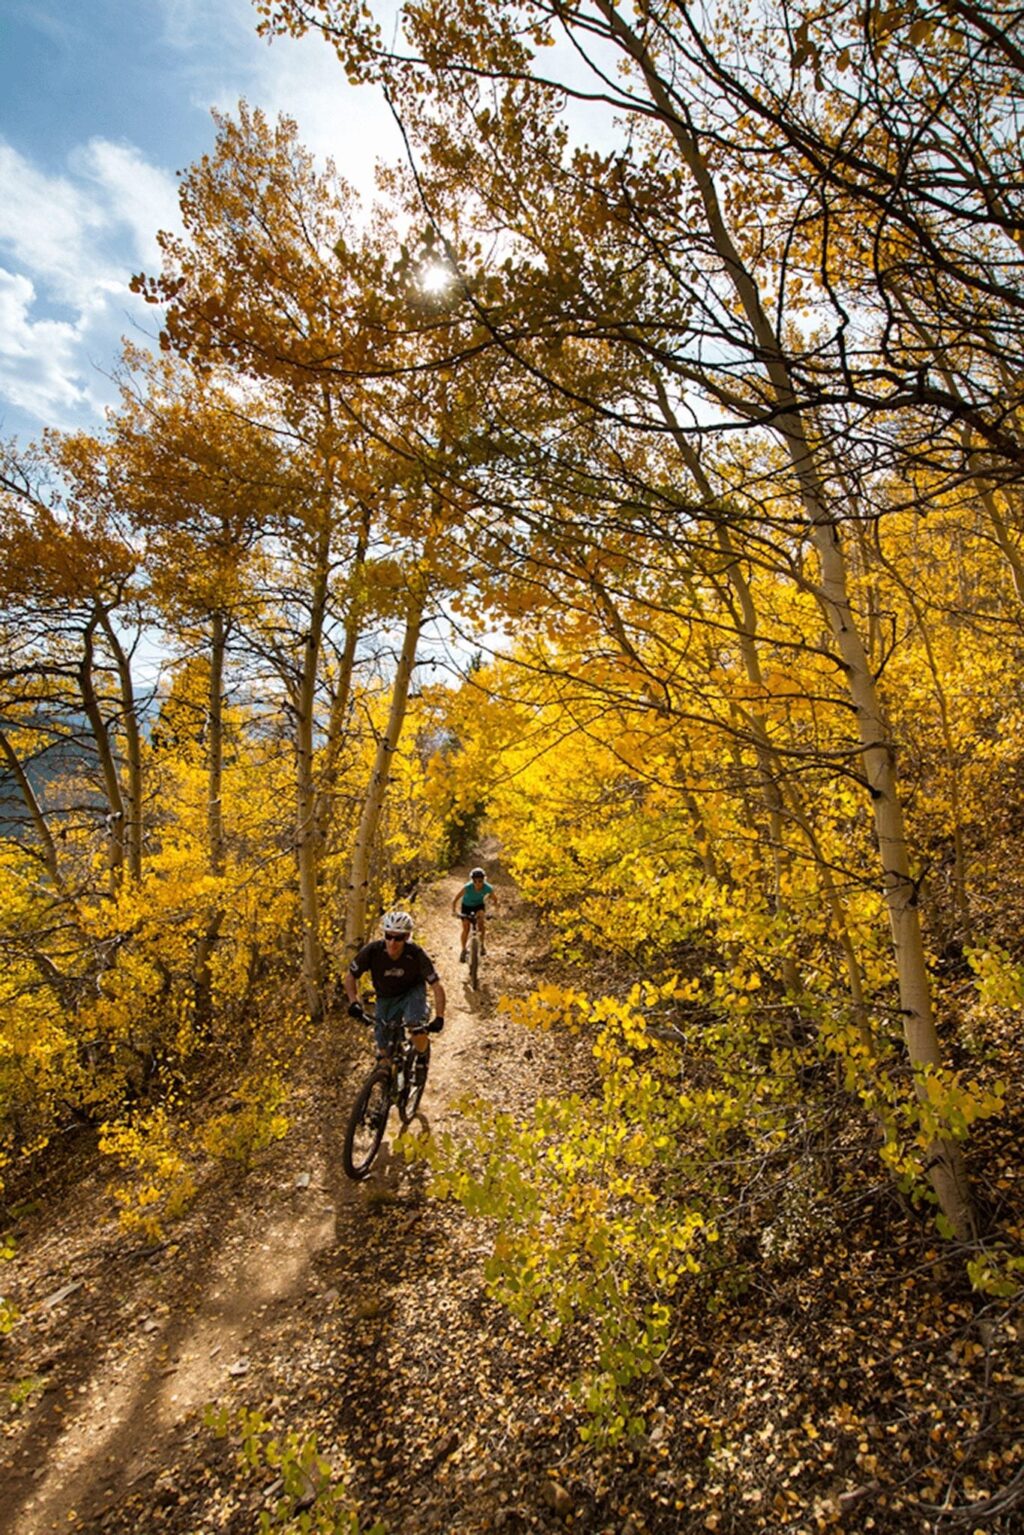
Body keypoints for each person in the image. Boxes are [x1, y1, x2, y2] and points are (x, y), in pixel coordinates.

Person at [344, 910, 446, 1070]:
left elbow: (437, 986)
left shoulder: (416, 954)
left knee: (415, 1026)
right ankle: (388, 1088)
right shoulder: (373, 951)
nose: (392, 942)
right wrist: (353, 1003)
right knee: (383, 1051)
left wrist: (439, 1017)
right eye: (388, 936)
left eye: (398, 938)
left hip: (412, 992)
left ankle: (422, 1057)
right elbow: (351, 976)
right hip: (385, 996)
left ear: (406, 937)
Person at [452, 866, 498, 962]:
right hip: (466, 906)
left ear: (484, 880)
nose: (477, 884)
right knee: (466, 928)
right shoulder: (467, 887)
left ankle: (481, 945)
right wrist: (454, 911)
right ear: (472, 880)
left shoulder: (488, 888)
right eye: (475, 881)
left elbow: (495, 900)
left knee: (481, 924)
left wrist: (494, 912)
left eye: (480, 881)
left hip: (478, 906)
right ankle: (464, 950)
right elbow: (455, 899)